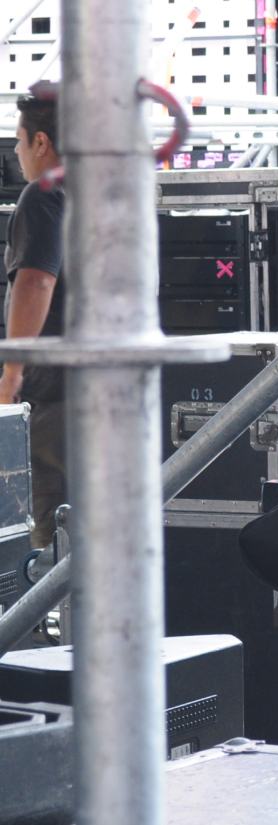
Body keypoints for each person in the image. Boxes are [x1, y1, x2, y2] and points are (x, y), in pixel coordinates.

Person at [2, 92, 66, 568]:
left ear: (41, 142)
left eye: (20, 141)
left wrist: (11, 374)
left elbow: (36, 283)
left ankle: (58, 613)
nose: (16, 151)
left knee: (49, 529)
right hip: (112, 392)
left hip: (57, 395)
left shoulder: (44, 192)